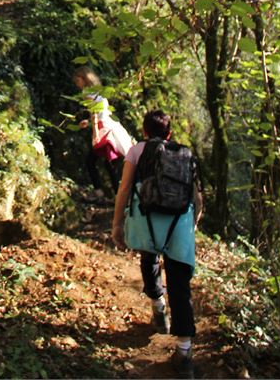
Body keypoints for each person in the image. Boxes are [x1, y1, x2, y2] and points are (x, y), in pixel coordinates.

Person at [111, 109, 203, 380]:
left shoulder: (137, 151)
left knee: (149, 259)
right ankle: (184, 353)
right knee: (180, 283)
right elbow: (197, 198)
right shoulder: (185, 154)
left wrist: (117, 225)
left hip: (147, 219)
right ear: (169, 133)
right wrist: (192, 223)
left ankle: (159, 308)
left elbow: (124, 189)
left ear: (144, 132)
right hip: (179, 222)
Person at [73, 65, 125, 198]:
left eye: (78, 80)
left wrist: (95, 133)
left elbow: (95, 113)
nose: (76, 83)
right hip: (110, 126)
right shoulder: (98, 91)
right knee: (109, 163)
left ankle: (99, 191)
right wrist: (89, 122)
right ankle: (118, 195)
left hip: (103, 130)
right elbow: (101, 112)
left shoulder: (87, 92)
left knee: (91, 161)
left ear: (83, 78)